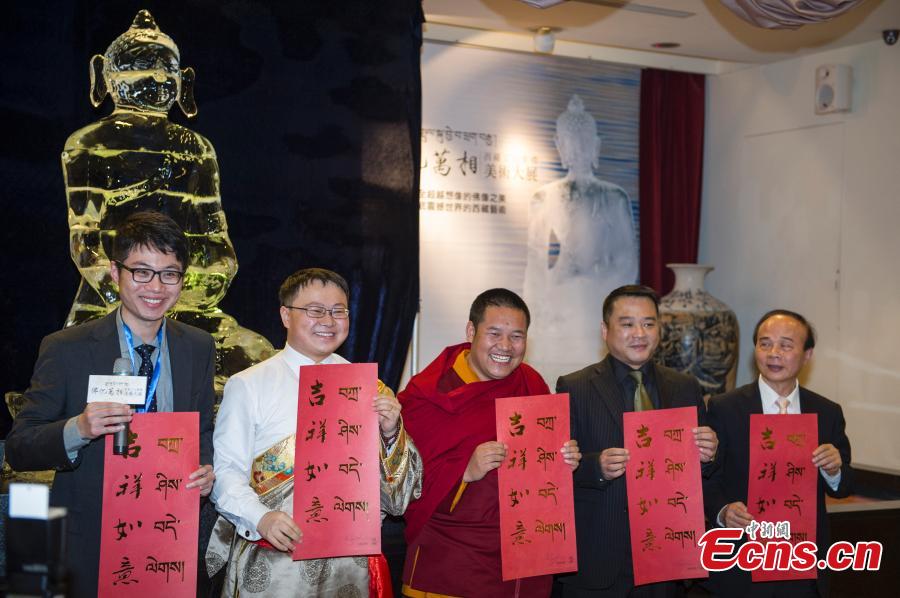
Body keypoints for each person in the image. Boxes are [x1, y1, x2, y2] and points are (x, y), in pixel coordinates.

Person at [6, 211, 216, 598]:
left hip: (169, 535)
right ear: (115, 273)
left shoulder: (199, 346)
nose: (156, 286)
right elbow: (19, 448)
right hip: (90, 541)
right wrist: (79, 428)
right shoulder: (66, 348)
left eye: (169, 274)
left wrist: (205, 468)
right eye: (142, 272)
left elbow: (202, 428)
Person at [207, 268, 422, 596]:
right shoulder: (249, 385)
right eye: (315, 310)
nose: (328, 320)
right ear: (285, 315)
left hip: (351, 567)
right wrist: (261, 518)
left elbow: (397, 500)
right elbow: (225, 472)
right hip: (275, 562)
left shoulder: (367, 387)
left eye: (338, 311)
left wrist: (391, 433)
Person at [399, 288, 582, 597]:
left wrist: (563, 460)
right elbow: (400, 481)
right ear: (471, 331)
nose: (506, 346)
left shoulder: (531, 382)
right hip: (451, 557)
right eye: (494, 333)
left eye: (516, 337)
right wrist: (465, 471)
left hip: (523, 555)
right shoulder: (429, 393)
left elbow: (541, 469)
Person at [556, 284, 718, 597]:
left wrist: (709, 454)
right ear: (605, 330)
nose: (639, 334)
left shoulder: (684, 387)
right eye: (627, 324)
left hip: (667, 554)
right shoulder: (576, 387)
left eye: (648, 323)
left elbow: (704, 472)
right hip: (601, 555)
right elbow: (557, 470)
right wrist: (597, 466)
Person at [703, 310, 852, 598]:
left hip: (802, 562)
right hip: (743, 562)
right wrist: (723, 511)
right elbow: (707, 478)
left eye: (785, 345)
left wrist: (835, 470)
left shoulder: (826, 412)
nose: (773, 353)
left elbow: (844, 486)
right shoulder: (725, 408)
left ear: (807, 355)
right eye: (765, 343)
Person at [524, 94, 639, 387]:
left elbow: (626, 262)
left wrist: (607, 304)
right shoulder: (544, 197)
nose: (577, 149)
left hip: (597, 300)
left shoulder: (614, 197)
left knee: (598, 385)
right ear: (559, 145)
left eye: (584, 141)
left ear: (596, 145)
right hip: (557, 301)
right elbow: (535, 264)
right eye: (570, 142)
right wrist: (536, 312)